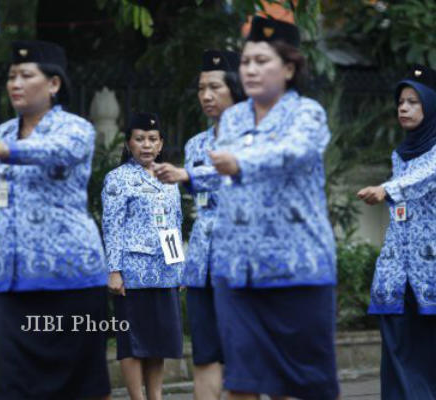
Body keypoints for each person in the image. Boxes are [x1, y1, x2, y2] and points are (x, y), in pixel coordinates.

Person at [0, 40, 111, 399]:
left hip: (70, 277)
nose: (15, 83)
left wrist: (2, 151)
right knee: (9, 385)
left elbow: (58, 151)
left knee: (82, 385)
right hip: (9, 278)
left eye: (27, 75)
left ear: (53, 84)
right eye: (12, 76)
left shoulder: (76, 129)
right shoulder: (4, 131)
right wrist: (2, 146)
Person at [207, 16, 339, 400]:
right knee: (242, 384)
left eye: (262, 61)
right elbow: (220, 170)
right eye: (246, 61)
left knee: (307, 387)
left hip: (297, 270)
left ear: (289, 68)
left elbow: (293, 151)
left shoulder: (307, 113)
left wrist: (242, 160)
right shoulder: (231, 118)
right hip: (238, 271)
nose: (250, 69)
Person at [357, 64, 436, 399]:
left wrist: (388, 189)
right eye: (401, 102)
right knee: (399, 354)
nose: (402, 108)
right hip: (396, 267)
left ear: (432, 106)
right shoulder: (400, 153)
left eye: (413, 102)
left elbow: (426, 177)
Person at [153, 49, 244, 400]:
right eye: (202, 87)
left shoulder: (254, 139)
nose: (206, 95)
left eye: (216, 87)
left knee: (239, 356)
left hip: (240, 263)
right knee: (205, 355)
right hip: (202, 263)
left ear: (235, 88)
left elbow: (234, 176)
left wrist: (188, 174)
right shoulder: (196, 144)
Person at [102, 112, 184, 400]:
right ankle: (137, 397)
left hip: (164, 271)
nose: (146, 145)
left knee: (158, 340)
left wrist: (179, 266)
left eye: (152, 139)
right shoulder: (117, 179)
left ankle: (156, 396)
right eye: (139, 139)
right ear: (129, 144)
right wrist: (114, 270)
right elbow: (111, 227)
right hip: (132, 273)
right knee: (133, 341)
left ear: (161, 144)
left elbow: (175, 223)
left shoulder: (170, 177)